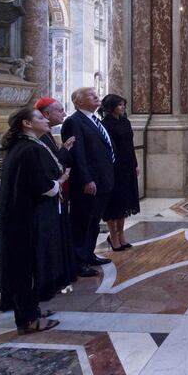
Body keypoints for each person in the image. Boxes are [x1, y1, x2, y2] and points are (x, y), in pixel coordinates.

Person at [0, 107, 70, 334]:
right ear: (27, 124)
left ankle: (32, 310)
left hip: (26, 216)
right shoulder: (28, 149)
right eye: (40, 117)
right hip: (25, 219)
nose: (45, 119)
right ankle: (27, 320)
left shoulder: (29, 146)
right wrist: (59, 182)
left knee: (31, 265)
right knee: (25, 268)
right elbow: (41, 185)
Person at [61, 87, 115, 277]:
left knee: (93, 221)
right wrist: (86, 179)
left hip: (102, 179)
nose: (96, 97)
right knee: (82, 221)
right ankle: (79, 261)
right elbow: (78, 154)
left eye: (95, 94)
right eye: (91, 95)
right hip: (88, 182)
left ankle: (89, 254)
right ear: (79, 101)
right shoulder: (73, 122)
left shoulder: (93, 119)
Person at [35, 97, 77, 292]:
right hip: (47, 197)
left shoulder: (46, 135)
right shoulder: (39, 140)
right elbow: (51, 166)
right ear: (46, 114)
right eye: (60, 110)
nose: (64, 114)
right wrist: (65, 151)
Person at [98, 94, 140, 251]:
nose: (123, 107)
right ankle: (113, 235)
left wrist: (135, 164)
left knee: (124, 201)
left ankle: (121, 234)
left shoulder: (125, 121)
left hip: (128, 165)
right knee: (114, 202)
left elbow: (130, 144)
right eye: (120, 105)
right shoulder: (105, 124)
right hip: (114, 166)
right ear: (111, 107)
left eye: (124, 104)